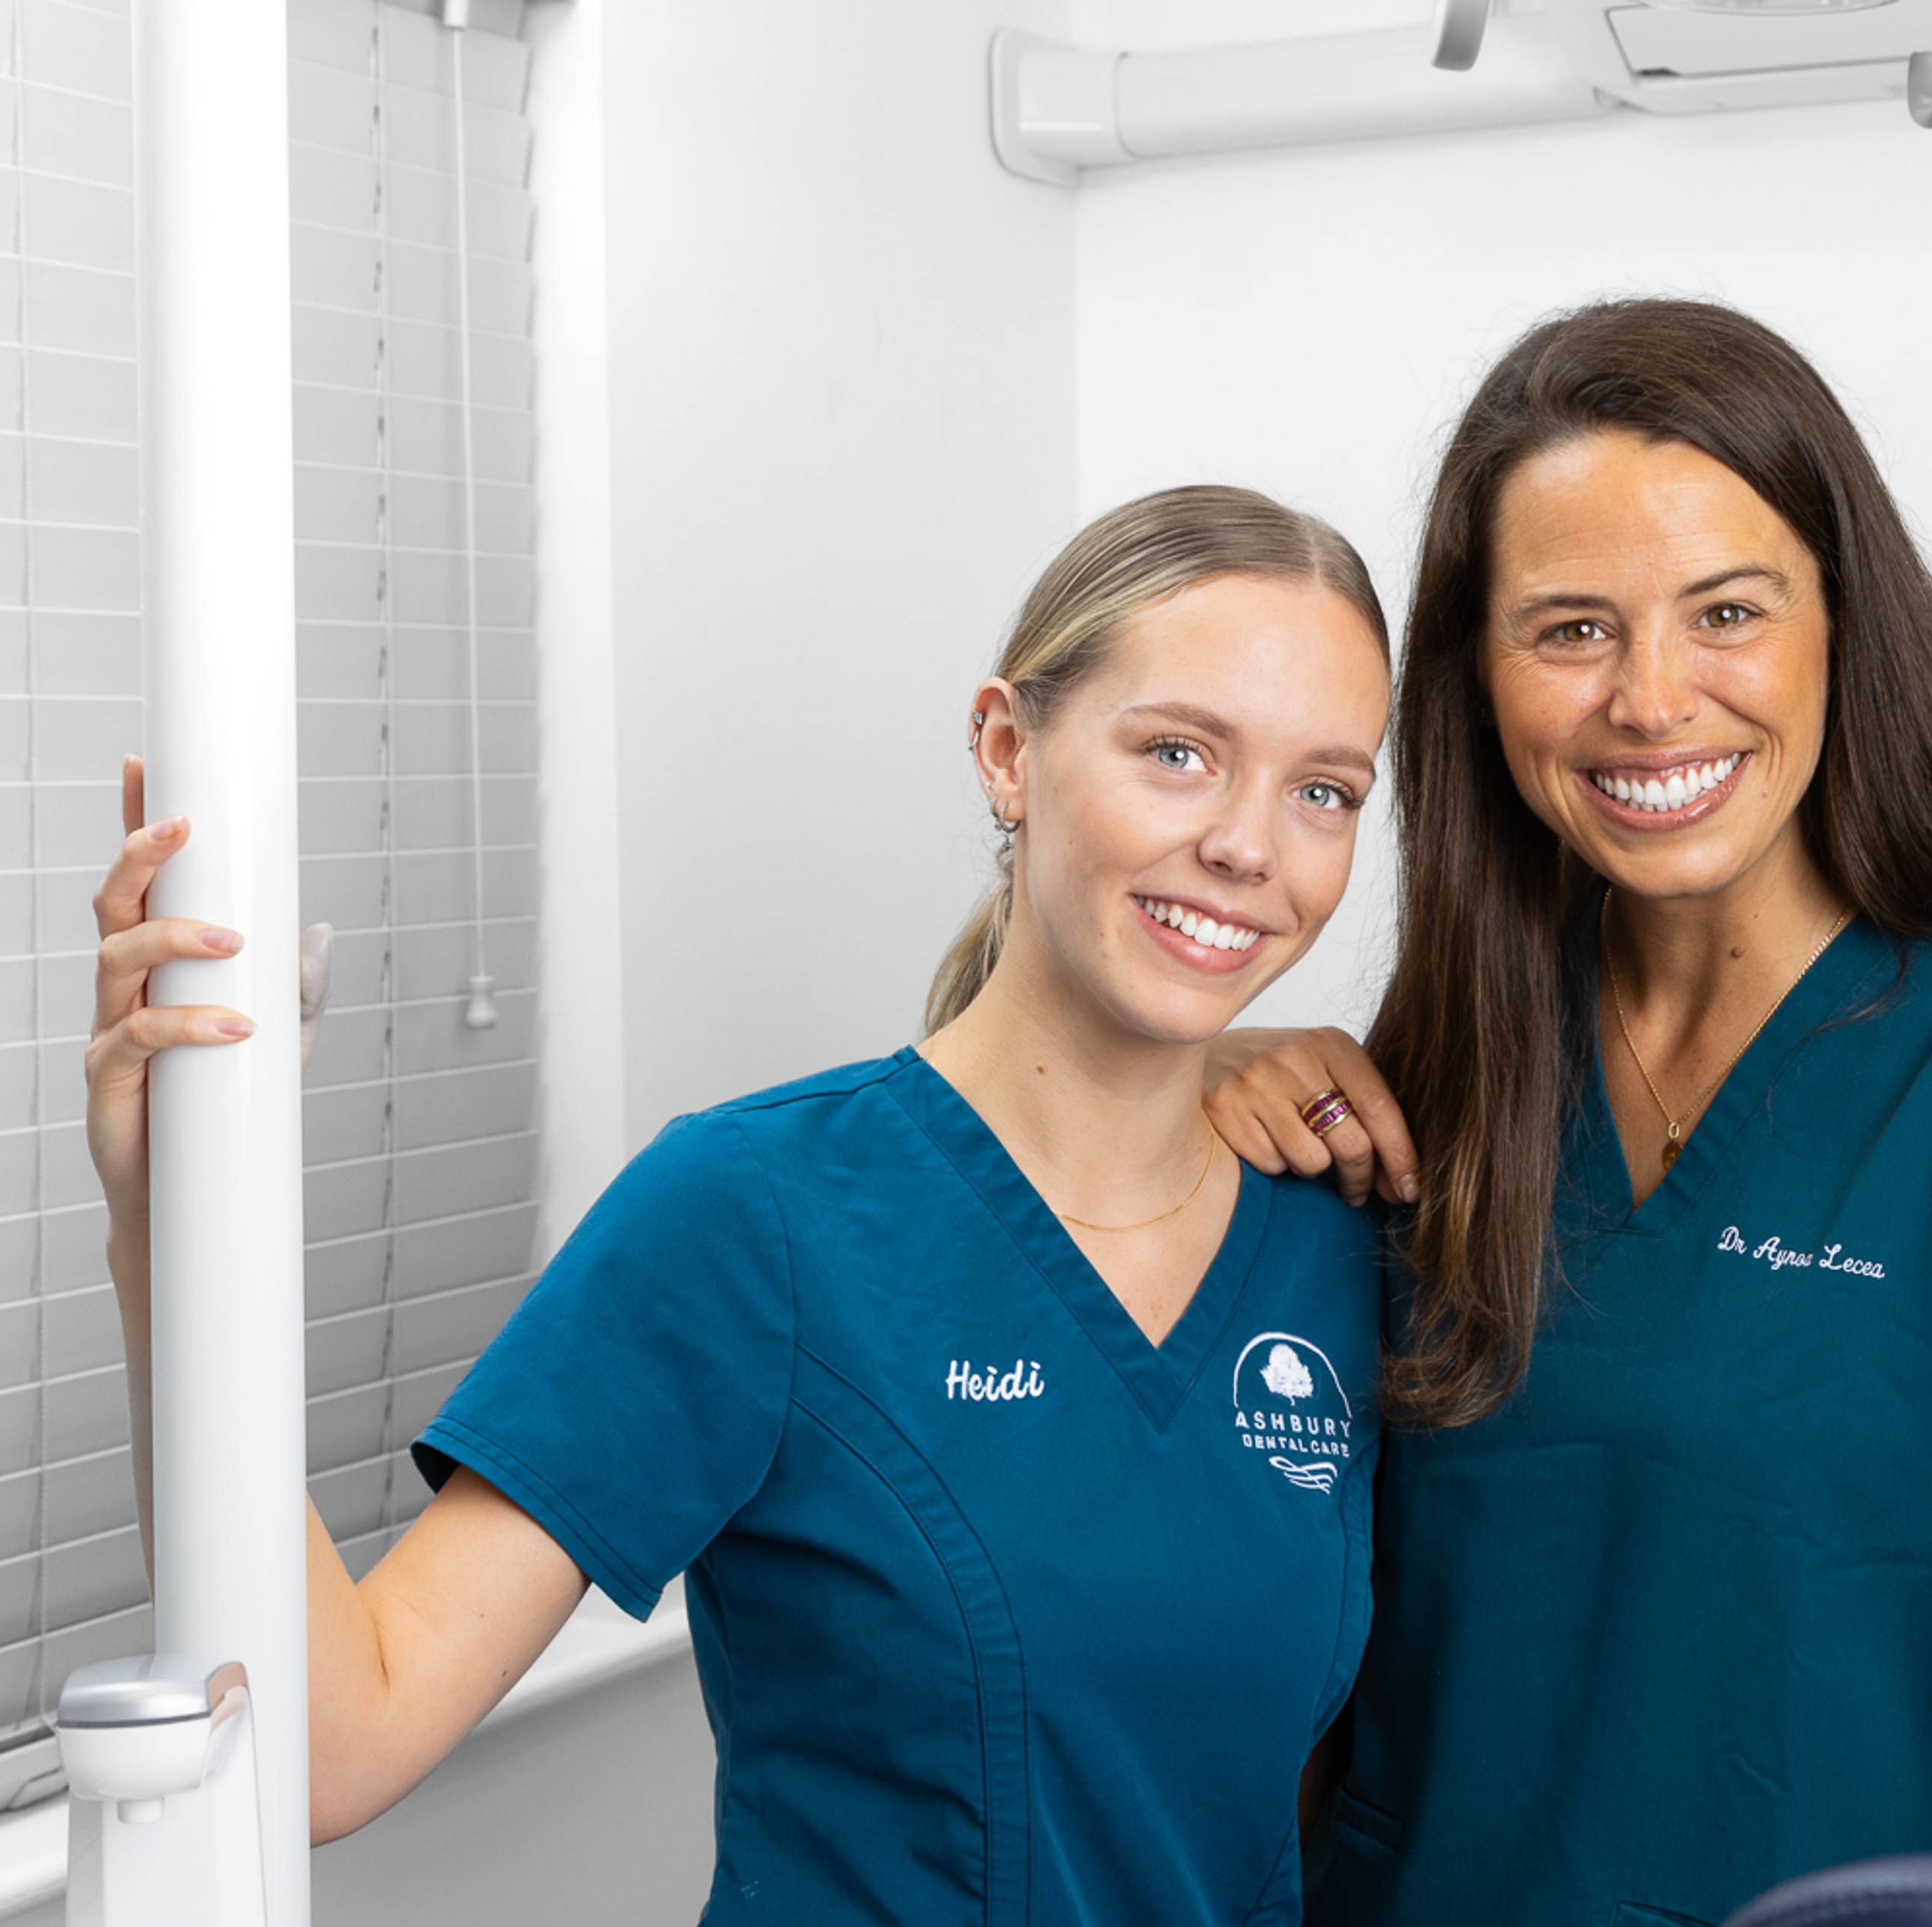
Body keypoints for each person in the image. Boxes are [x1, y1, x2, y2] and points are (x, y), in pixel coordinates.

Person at [86, 486, 1396, 1923]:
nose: (1249, 847)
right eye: (1179, 753)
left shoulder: (1339, 1233)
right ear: (1009, 749)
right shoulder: (755, 1217)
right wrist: (174, 1235)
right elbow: (341, 1738)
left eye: (1322, 789)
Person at [1201, 301, 1932, 1927]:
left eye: (1726, 610)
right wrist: (1186, 1085)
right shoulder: (1440, 1060)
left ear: (1839, 625)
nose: (1652, 700)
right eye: (1570, 628)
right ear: (1478, 676)